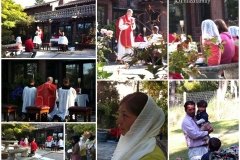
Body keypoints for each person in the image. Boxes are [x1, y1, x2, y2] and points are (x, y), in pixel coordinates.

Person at [112, 92, 166, 160]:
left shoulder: (152, 157)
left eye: (125, 115)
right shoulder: (132, 147)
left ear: (143, 121)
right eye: (119, 114)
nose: (118, 121)